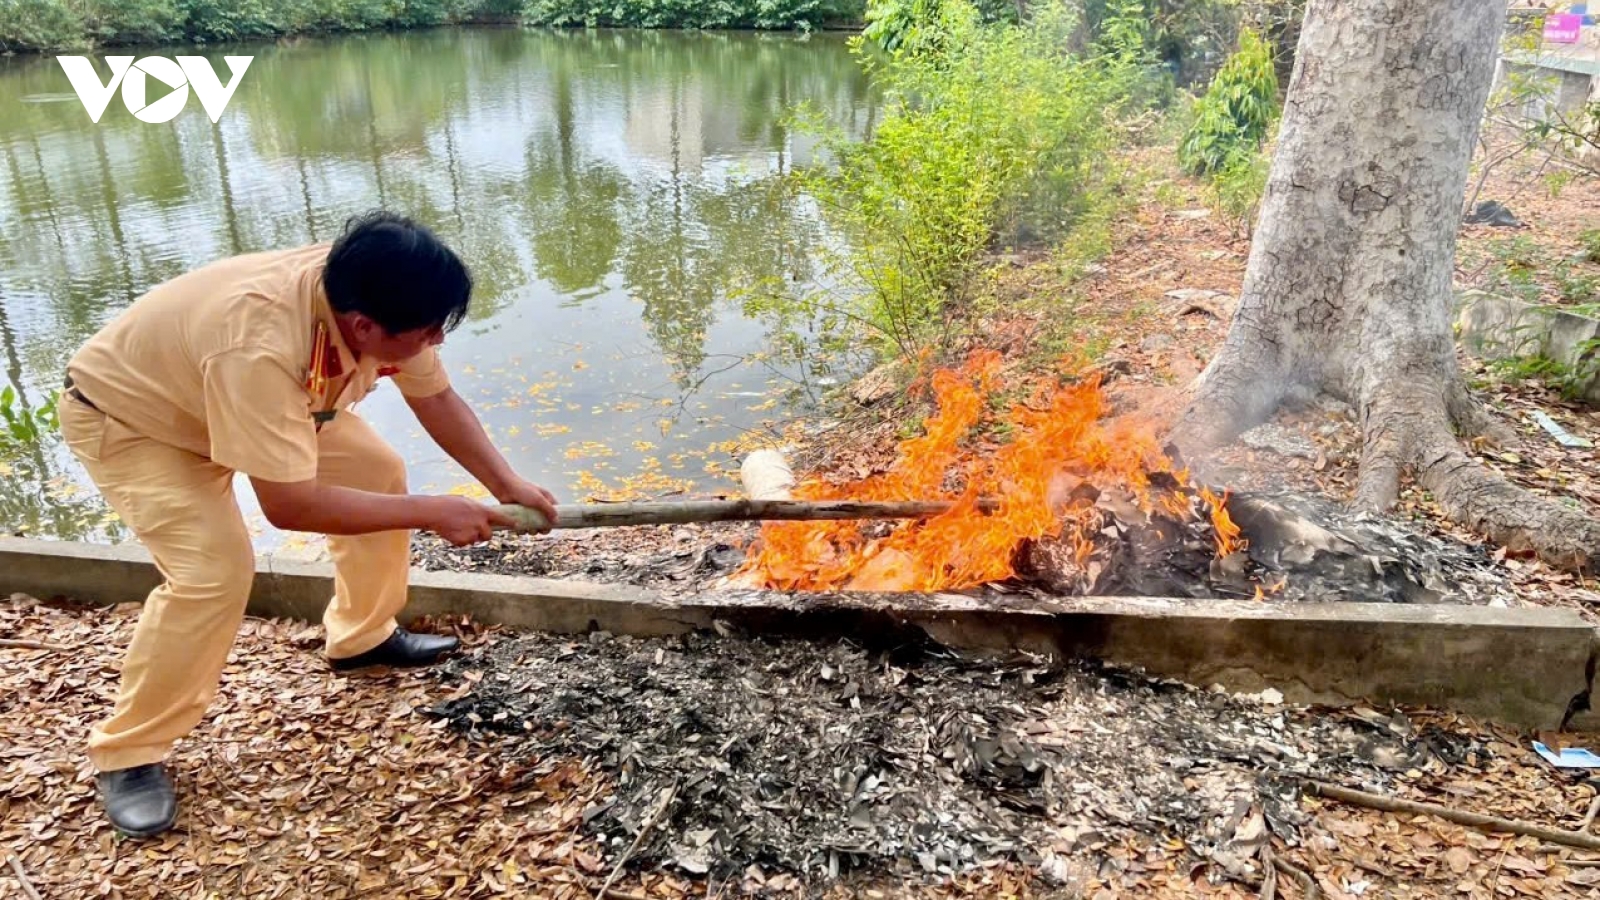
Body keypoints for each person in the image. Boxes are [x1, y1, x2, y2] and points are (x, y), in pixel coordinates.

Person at [58, 211, 559, 839]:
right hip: (143, 423)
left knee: (378, 469)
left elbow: (434, 398)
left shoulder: (382, 291)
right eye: (428, 332)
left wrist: (504, 483)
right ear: (362, 326)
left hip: (250, 400)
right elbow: (291, 505)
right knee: (211, 573)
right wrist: (436, 510)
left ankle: (362, 635)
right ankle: (127, 752)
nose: (437, 342)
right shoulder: (261, 341)